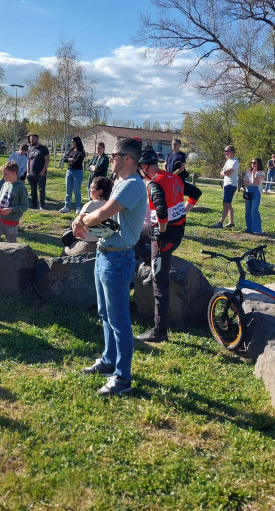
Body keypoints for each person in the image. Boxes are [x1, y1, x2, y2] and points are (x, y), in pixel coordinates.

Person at [72, 137, 148, 396]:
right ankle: (108, 361)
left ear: (128, 159)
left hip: (118, 259)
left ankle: (122, 377)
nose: (110, 159)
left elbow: (104, 213)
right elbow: (105, 212)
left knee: (119, 320)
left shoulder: (132, 185)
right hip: (106, 254)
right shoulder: (121, 182)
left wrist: (83, 221)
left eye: (114, 155)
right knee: (105, 314)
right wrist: (84, 219)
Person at [133, 149, 187, 343]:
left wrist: (160, 232)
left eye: (140, 168)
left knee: (160, 285)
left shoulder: (154, 183)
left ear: (144, 167)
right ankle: (150, 263)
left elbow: (162, 211)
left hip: (165, 236)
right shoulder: (172, 177)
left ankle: (159, 331)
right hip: (177, 230)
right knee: (135, 234)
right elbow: (194, 193)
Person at [64, 176, 113, 256]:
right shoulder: (112, 206)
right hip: (107, 246)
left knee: (65, 251)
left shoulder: (91, 204)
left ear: (100, 191)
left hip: (88, 245)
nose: (89, 190)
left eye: (91, 188)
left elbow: (77, 225)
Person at [0, 160, 29, 243]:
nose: (3, 176)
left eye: (5, 174)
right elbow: (0, 200)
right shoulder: (5, 184)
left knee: (11, 243)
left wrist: (11, 210)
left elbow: (25, 206)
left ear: (14, 173)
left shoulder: (20, 187)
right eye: (2, 174)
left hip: (11, 221)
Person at [212, 145, 239, 228]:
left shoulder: (235, 161)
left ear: (231, 152)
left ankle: (221, 222)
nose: (225, 153)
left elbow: (228, 172)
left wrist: (224, 171)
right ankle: (231, 222)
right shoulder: (228, 161)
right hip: (226, 184)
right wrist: (224, 171)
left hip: (231, 185)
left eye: (226, 151)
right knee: (228, 204)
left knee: (225, 203)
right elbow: (221, 173)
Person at [60, 136, 86, 213]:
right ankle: (67, 206)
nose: (71, 143)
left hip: (77, 172)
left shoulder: (81, 152)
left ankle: (78, 207)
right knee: (68, 190)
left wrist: (70, 160)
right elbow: (64, 159)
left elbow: (77, 161)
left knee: (77, 190)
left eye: (73, 141)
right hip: (69, 171)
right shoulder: (71, 151)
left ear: (76, 142)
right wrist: (70, 160)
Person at [27, 133, 50, 210]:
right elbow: (28, 161)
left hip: (40, 173)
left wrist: (43, 171)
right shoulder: (30, 148)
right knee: (33, 190)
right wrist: (28, 172)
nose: (31, 141)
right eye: (30, 139)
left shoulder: (43, 149)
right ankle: (34, 204)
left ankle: (42, 205)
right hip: (31, 173)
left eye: (33, 139)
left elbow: (47, 160)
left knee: (41, 190)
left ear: (37, 139)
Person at [243, 158, 265, 234]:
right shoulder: (248, 171)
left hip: (256, 191)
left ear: (258, 164)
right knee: (248, 211)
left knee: (254, 211)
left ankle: (257, 229)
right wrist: (250, 183)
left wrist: (254, 173)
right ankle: (249, 228)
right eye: (251, 162)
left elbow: (254, 182)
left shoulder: (261, 173)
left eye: (254, 162)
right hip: (249, 190)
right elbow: (245, 183)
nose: (252, 164)